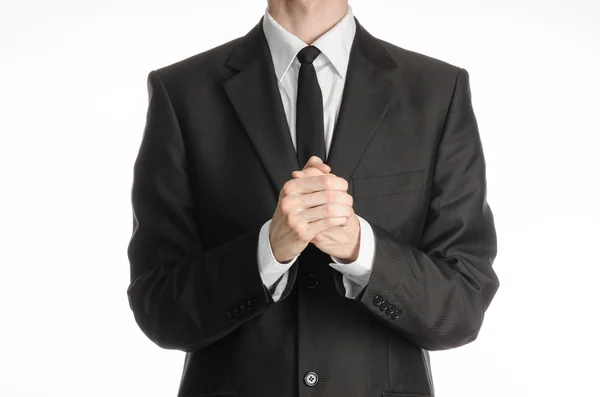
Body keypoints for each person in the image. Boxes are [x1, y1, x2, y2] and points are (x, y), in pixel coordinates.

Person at [126, 1, 500, 396]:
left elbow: (462, 307)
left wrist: (362, 249)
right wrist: (267, 251)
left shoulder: (437, 91)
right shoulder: (182, 91)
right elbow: (160, 309)